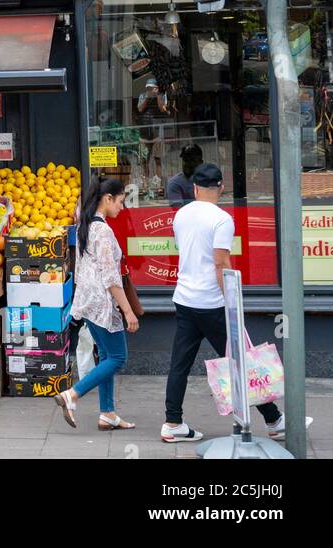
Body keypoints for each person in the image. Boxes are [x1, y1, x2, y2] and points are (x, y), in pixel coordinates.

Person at [161, 163, 286, 443]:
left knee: (179, 363)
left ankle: (172, 422)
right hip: (212, 302)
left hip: (184, 298)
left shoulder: (180, 215)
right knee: (243, 360)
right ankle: (274, 419)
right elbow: (221, 263)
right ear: (221, 187)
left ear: (194, 188)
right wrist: (232, 303)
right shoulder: (222, 219)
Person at [53, 177, 139, 431]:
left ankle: (108, 413)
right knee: (118, 357)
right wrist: (127, 310)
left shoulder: (85, 226)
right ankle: (73, 394)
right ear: (107, 199)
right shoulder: (102, 230)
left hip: (87, 301)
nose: (122, 208)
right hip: (101, 303)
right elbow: (111, 277)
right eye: (120, 202)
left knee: (106, 356)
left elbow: (81, 269)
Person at [136, 77, 172, 197]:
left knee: (158, 160)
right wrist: (148, 96)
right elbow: (140, 109)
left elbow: (163, 109)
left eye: (152, 88)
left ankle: (159, 186)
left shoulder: (161, 96)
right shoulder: (143, 96)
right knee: (144, 161)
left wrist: (157, 96)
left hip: (157, 135)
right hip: (144, 134)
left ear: (156, 88)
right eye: (148, 88)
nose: (150, 90)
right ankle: (145, 186)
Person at [166, 144, 204, 209]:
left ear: (200, 162)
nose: (187, 164)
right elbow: (178, 211)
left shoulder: (206, 179)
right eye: (185, 160)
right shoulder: (174, 183)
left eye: (192, 160)